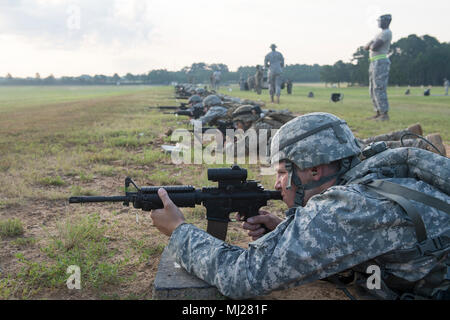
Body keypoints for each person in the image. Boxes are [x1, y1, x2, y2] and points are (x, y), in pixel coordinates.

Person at [151, 112, 450, 300]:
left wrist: (178, 231)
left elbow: (242, 277)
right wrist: (286, 229)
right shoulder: (375, 173)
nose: (279, 184)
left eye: (283, 172)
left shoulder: (347, 208)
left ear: (314, 170)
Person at [364, 14, 393, 121]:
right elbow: (366, 47)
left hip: (380, 62)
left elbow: (374, 46)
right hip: (374, 62)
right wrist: (371, 44)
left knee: (379, 87)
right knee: (372, 88)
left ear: (386, 21)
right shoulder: (379, 34)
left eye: (380, 20)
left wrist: (372, 44)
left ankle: (384, 114)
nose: (378, 22)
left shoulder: (386, 33)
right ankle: (378, 112)